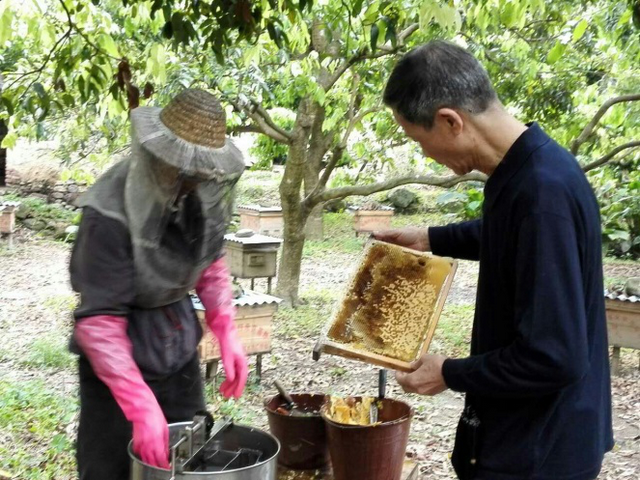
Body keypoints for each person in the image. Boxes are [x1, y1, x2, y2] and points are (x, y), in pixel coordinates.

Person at [375, 41, 613, 480]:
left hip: (541, 451)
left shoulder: (543, 193)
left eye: (418, 139)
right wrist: (430, 237)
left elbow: (554, 357)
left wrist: (448, 372)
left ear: (450, 121)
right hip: (529, 434)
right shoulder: (530, 169)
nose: (425, 155)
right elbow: (512, 236)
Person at [69, 89, 249, 480]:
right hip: (120, 359)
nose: (194, 180)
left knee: (189, 460)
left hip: (177, 345)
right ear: (158, 154)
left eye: (201, 172)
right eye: (185, 170)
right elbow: (98, 320)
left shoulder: (197, 193)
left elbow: (209, 259)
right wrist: (139, 404)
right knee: (111, 469)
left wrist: (225, 327)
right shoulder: (107, 211)